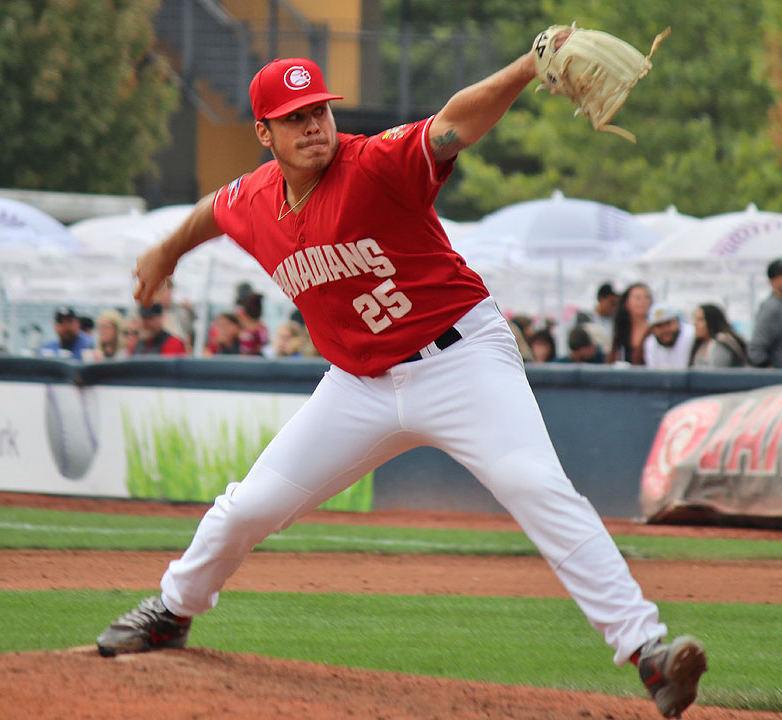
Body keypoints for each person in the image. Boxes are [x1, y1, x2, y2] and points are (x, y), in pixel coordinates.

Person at [96, 52, 706, 719]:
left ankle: (648, 653)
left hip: (461, 360)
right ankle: (173, 611)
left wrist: (529, 67)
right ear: (264, 135)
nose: (314, 126)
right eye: (293, 118)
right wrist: (166, 248)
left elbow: (453, 126)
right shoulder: (256, 199)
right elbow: (214, 209)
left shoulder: (375, 164)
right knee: (248, 506)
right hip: (357, 385)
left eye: (320, 111)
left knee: (536, 485)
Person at [747, 257, 782, 368]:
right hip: (780, 378)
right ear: (772, 281)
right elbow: (756, 348)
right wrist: (768, 370)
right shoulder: (772, 308)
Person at [689, 304, 747, 368]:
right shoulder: (703, 344)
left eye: (700, 320)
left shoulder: (721, 343)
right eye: (695, 319)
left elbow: (715, 375)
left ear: (711, 321)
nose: (695, 323)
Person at [131, 291, 188, 356]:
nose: (145, 322)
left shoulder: (172, 343)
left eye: (149, 318)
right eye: (143, 318)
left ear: (160, 318)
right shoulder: (137, 344)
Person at [607, 283, 652, 365]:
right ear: (626, 303)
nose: (643, 301)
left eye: (647, 297)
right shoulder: (620, 330)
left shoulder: (655, 330)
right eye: (638, 298)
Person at [643, 303, 696, 370]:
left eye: (668, 323)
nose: (665, 330)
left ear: (677, 322)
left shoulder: (691, 334)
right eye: (659, 326)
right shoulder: (650, 343)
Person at [584, 282, 619, 353]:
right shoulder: (585, 319)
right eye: (612, 303)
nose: (615, 307)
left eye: (617, 304)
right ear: (600, 299)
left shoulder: (617, 323)